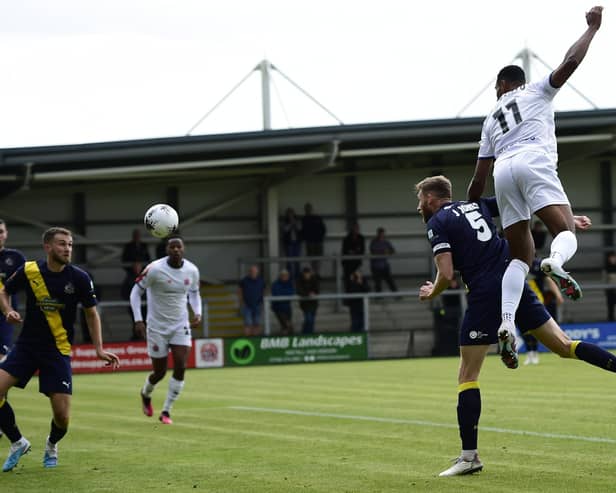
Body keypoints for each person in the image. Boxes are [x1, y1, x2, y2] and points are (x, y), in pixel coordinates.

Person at [414, 175, 616, 477]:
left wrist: (433, 291)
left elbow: (446, 274)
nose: (419, 208)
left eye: (420, 202)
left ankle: (469, 457)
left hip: (484, 293)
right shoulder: (476, 205)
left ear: (430, 199)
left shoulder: (437, 223)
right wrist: (567, 220)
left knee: (467, 374)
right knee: (564, 346)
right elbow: (524, 206)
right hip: (515, 281)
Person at [467, 7, 603, 357]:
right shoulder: (535, 92)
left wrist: (470, 207)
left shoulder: (489, 121)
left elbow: (478, 178)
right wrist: (592, 29)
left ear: (500, 85)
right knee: (564, 233)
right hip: (533, 160)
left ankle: (507, 322)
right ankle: (556, 261)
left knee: (519, 259)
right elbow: (570, 62)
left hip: (503, 172)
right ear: (520, 83)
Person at [0, 227, 119, 471]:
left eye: (70, 245)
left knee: (62, 418)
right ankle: (17, 441)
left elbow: (91, 313)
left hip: (57, 351)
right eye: (62, 244)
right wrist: (7, 310)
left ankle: (52, 444)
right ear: (48, 247)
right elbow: (4, 291)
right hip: (26, 347)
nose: (68, 249)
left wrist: (98, 349)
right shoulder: (30, 270)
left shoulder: (80, 278)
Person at [130, 236, 201, 425]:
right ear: (167, 250)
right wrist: (138, 320)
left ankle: (167, 411)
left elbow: (194, 293)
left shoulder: (192, 270)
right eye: (172, 247)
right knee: (159, 372)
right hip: (157, 327)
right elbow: (136, 292)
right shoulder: (154, 269)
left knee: (181, 365)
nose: (176, 250)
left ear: (183, 249)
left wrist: (198, 313)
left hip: (180, 325)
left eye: (179, 246)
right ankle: (146, 393)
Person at [524, 256, 564, 365]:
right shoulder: (515, 262)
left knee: (535, 327)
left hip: (537, 300)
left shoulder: (538, 264)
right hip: (520, 300)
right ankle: (529, 353)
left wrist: (557, 294)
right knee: (525, 328)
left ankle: (535, 352)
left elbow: (548, 279)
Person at [0, 220, 26, 360]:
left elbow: (30, 283)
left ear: (6, 234)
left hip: (5, 316)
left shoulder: (15, 258)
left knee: (2, 354)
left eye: (1, 231)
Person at [238, 265, 265, 336]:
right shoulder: (244, 281)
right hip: (247, 305)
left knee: (257, 323)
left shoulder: (261, 280)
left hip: (258, 304)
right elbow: (240, 291)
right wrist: (241, 302)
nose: (253, 273)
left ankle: (255, 338)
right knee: (248, 323)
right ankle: (248, 338)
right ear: (249, 272)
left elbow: (264, 291)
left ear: (257, 272)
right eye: (252, 271)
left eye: (255, 272)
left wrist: (262, 302)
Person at [369, 227, 398, 294]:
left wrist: (388, 252)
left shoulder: (386, 242)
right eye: (380, 234)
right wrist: (383, 251)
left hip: (384, 265)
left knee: (389, 280)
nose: (382, 235)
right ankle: (378, 297)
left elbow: (392, 250)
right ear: (378, 234)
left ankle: (396, 294)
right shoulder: (374, 242)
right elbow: (373, 251)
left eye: (383, 234)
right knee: (377, 282)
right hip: (376, 265)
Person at [301, 203, 326, 276]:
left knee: (318, 257)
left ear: (311, 209)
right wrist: (306, 238)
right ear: (305, 210)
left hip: (318, 240)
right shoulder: (304, 219)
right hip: (310, 241)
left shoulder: (317, 217)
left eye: (309, 208)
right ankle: (314, 273)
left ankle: (317, 273)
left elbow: (323, 229)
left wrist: (321, 237)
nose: (308, 210)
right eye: (306, 209)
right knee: (312, 258)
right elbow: (304, 230)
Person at [270, 269, 295, 335]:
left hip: (287, 307)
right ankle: (285, 336)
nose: (285, 277)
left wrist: (284, 294)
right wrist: (286, 294)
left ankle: (287, 336)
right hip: (278, 307)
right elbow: (276, 294)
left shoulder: (290, 283)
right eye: (283, 275)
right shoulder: (275, 284)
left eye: (286, 275)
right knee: (286, 324)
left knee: (286, 325)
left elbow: (292, 293)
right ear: (280, 276)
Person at [341, 222, 365, 288]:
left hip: (357, 264)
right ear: (352, 229)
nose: (356, 230)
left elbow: (362, 250)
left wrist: (353, 251)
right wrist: (355, 251)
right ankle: (348, 296)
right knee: (348, 281)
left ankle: (358, 294)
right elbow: (345, 251)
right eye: (354, 228)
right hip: (348, 264)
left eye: (357, 228)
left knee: (358, 280)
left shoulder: (361, 238)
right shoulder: (346, 238)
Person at [296, 266, 319, 334]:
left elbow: (317, 290)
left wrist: (313, 293)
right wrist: (308, 294)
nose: (307, 275)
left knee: (311, 321)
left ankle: (309, 335)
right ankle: (305, 334)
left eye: (308, 273)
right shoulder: (299, 280)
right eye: (306, 273)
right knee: (309, 319)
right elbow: (299, 291)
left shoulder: (314, 279)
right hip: (305, 304)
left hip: (313, 303)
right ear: (303, 274)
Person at [281, 208, 302, 279]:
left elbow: (300, 228)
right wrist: (291, 224)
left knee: (297, 261)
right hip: (289, 243)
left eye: (291, 213)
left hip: (297, 243)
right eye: (289, 214)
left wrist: (295, 223)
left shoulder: (297, 220)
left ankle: (297, 277)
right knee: (289, 261)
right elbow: (285, 229)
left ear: (293, 214)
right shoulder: (285, 221)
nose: (290, 215)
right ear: (287, 214)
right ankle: (289, 276)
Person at [603, 251, 616, 322]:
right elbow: (604, 280)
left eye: (614, 257)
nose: (613, 259)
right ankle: (611, 320)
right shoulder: (607, 268)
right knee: (611, 307)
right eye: (611, 258)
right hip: (610, 291)